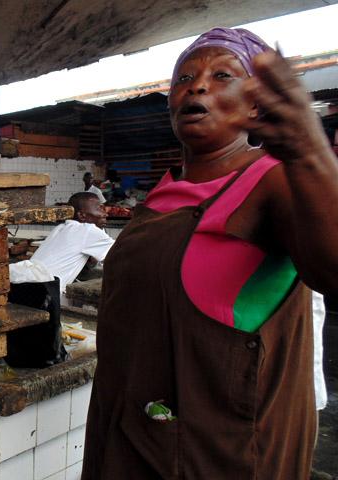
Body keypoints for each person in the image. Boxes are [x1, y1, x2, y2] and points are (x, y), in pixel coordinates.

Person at [83, 27, 338, 480]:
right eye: (184, 77)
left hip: (217, 456)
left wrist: (309, 150)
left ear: (257, 103)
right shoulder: (162, 194)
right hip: (128, 436)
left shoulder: (273, 181)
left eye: (223, 75)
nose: (197, 85)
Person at [10, 192, 113, 288]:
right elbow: (122, 252)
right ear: (82, 215)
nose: (105, 214)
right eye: (99, 209)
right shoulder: (88, 230)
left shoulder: (60, 227)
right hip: (45, 289)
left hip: (23, 281)